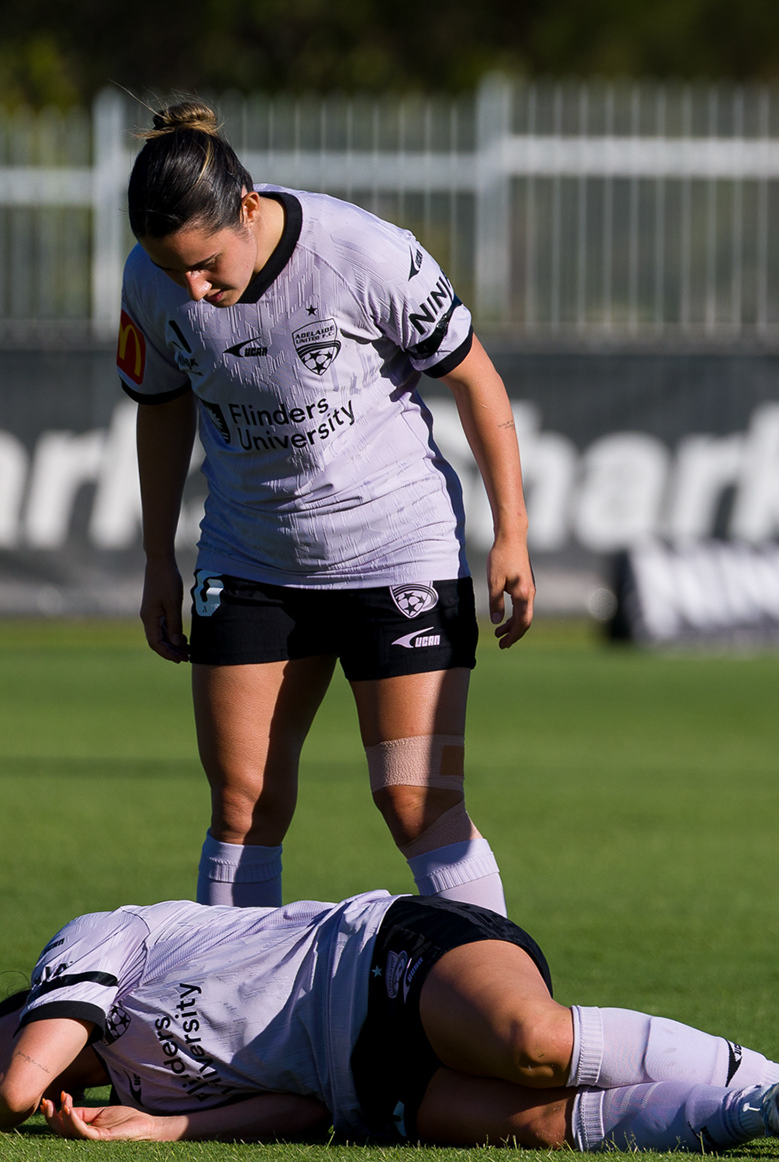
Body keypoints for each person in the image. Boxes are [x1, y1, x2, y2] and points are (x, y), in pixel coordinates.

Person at [118, 103, 535, 915]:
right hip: (250, 561)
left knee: (417, 804)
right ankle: (229, 996)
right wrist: (156, 559)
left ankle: (496, 985)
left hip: (398, 552)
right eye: (174, 272)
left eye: (205, 264)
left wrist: (511, 533)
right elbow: (160, 409)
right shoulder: (149, 280)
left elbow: (476, 379)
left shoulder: (361, 252)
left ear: (247, 207)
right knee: (243, 809)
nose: (193, 289)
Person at [0, 890, 779, 1154]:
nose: (3, 1072)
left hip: (379, 956)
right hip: (360, 1089)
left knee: (533, 1044)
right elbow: (298, 1114)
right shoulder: (132, 1089)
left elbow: (14, 1090)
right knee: (539, 1127)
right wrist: (160, 1131)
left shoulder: (95, 942)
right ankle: (770, 1111)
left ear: (30, 1000)